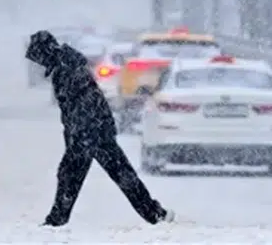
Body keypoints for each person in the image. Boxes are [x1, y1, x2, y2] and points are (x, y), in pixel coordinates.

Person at [25, 30, 174, 227]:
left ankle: (154, 214)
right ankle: (154, 213)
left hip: (90, 132)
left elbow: (82, 105)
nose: (38, 63)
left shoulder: (67, 69)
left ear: (45, 52)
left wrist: (80, 136)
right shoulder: (65, 65)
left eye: (37, 57)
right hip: (91, 131)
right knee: (108, 175)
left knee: (87, 175)